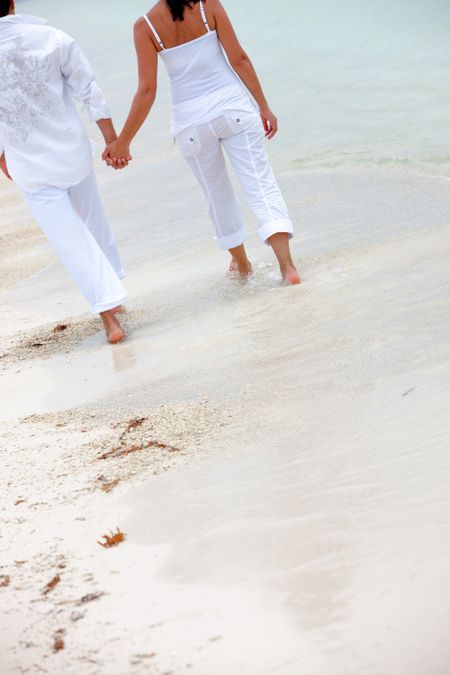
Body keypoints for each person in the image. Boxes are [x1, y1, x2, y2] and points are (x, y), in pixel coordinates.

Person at [104, 0, 300, 284]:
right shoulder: (209, 6)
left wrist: (123, 142)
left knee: (217, 196)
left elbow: (146, 90)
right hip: (233, 110)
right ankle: (287, 267)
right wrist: (264, 106)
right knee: (260, 184)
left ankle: (244, 267)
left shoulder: (145, 26)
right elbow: (239, 59)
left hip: (191, 125)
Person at [0, 0, 128, 343]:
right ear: (13, 4)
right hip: (72, 152)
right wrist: (112, 140)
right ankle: (115, 291)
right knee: (93, 219)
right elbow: (89, 90)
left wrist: (2, 154)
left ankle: (108, 314)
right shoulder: (53, 38)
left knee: (69, 238)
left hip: (28, 164)